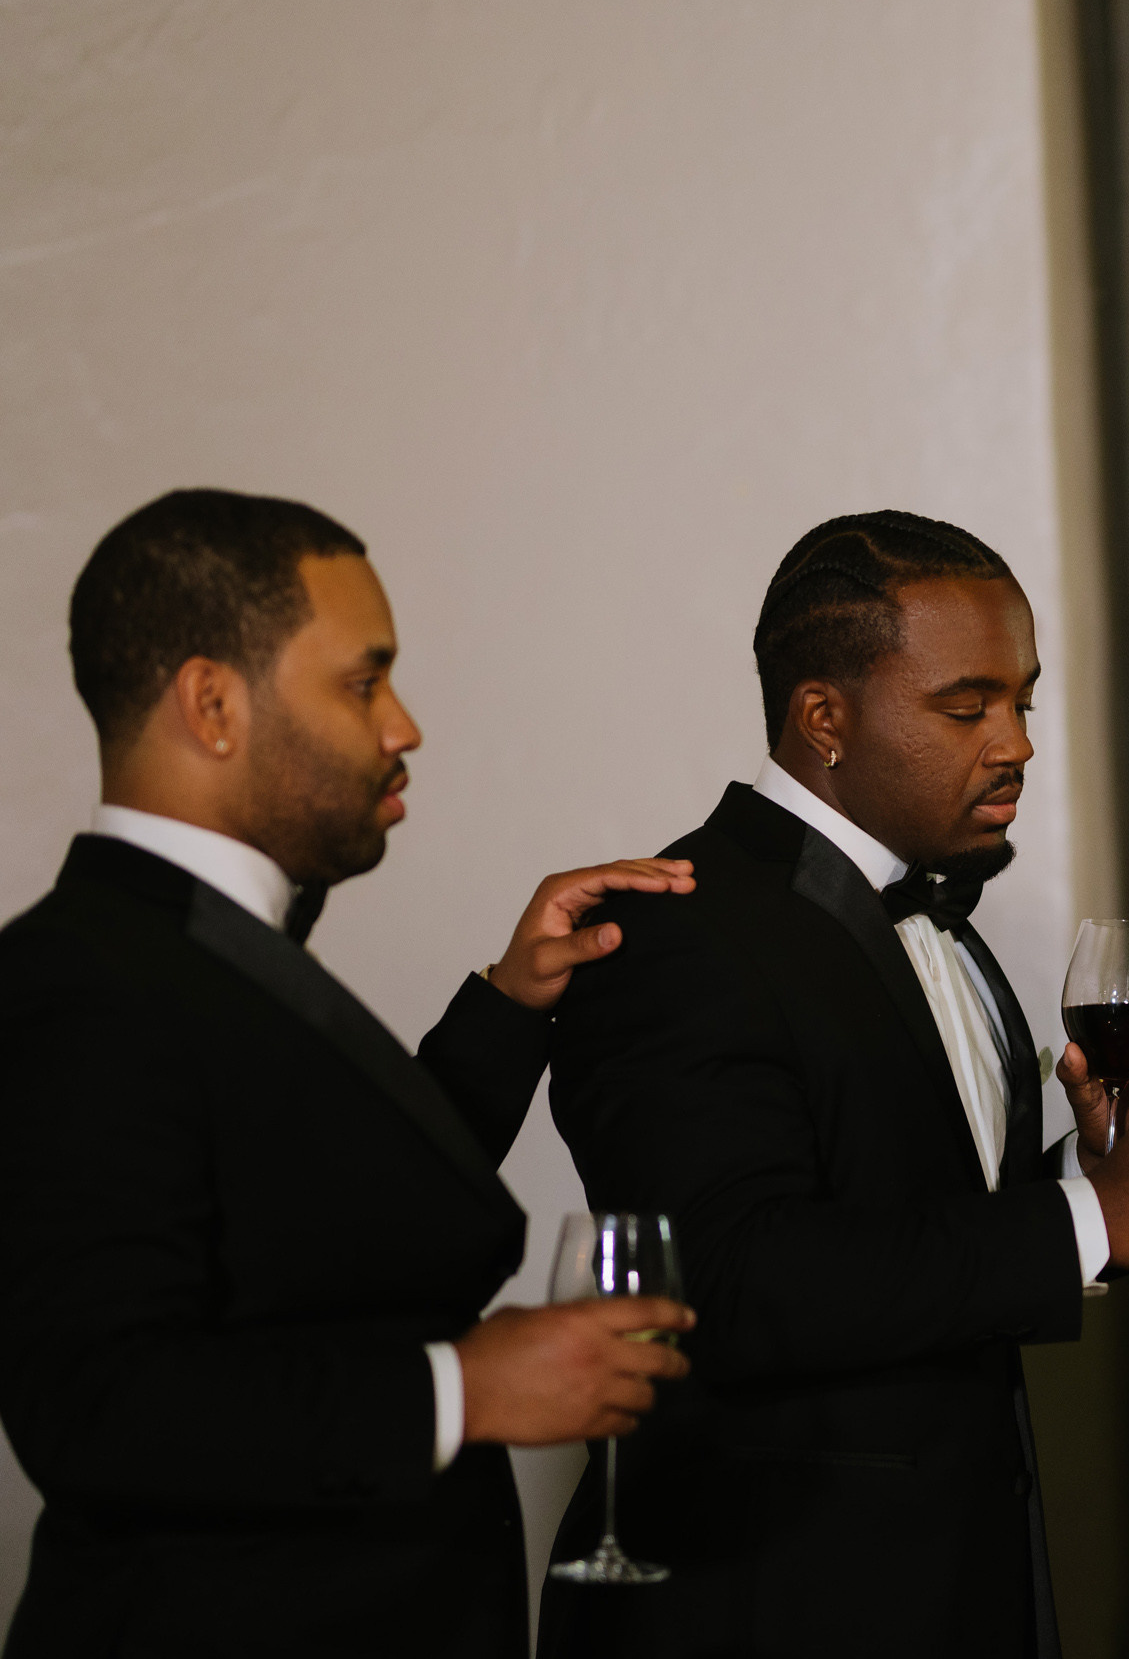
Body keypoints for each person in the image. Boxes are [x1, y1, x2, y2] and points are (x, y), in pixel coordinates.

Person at [536, 510, 1129, 1659]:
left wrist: (1103, 1163)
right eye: (967, 707)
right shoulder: (676, 928)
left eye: (1024, 702)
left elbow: (909, 1214)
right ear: (823, 718)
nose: (1014, 744)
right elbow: (730, 1278)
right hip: (761, 1612)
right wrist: (1098, 1218)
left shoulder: (933, 918)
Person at [0, 489, 700, 1658]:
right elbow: (96, 1405)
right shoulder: (78, 981)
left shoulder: (205, 947)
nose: (403, 725)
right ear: (213, 705)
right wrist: (464, 1389)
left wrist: (509, 1002)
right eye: (363, 681)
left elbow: (335, 1216)